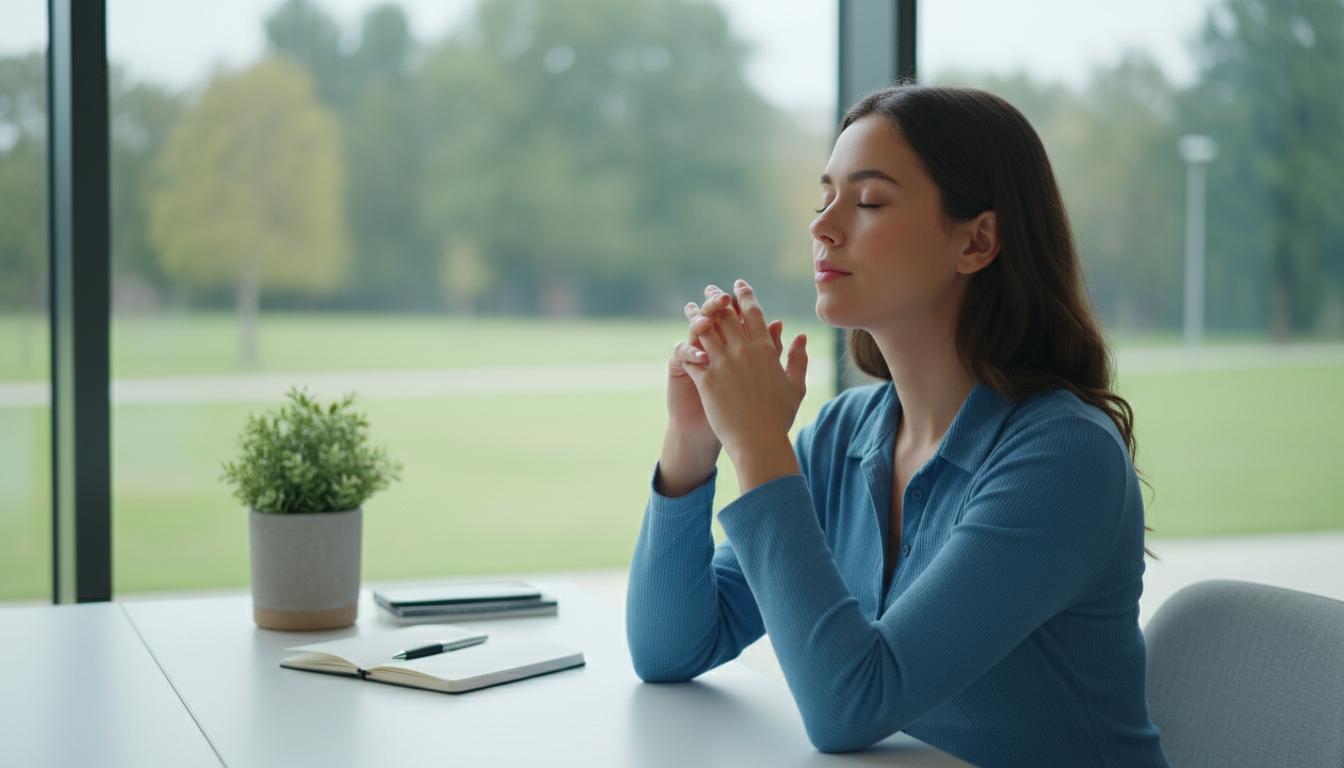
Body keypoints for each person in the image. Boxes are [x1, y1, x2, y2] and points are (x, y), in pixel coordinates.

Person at [624, 82, 1171, 767]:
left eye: (870, 200)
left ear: (977, 241)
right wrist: (694, 440)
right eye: (823, 197)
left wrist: (760, 444)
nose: (823, 226)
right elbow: (669, 648)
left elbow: (849, 706)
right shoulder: (842, 436)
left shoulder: (1063, 457)